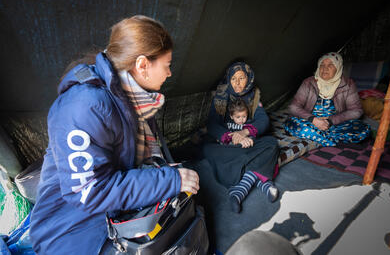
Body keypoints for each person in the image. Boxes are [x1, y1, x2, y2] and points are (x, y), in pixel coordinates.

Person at [29, 15, 200, 255]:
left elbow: (132, 160)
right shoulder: (83, 107)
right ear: (142, 65)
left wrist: (165, 171)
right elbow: (90, 193)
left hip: (112, 216)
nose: (170, 73)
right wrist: (169, 180)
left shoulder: (134, 98)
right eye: (167, 64)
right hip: (70, 231)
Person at [204, 62, 279, 213]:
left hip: (248, 142)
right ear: (229, 79)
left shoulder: (254, 95)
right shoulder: (221, 95)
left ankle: (238, 191)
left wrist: (245, 133)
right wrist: (230, 137)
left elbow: (263, 120)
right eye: (234, 79)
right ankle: (262, 182)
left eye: (242, 78)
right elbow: (212, 124)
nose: (237, 83)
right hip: (228, 144)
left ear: (249, 78)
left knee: (271, 143)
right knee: (207, 149)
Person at [285, 52, 370, 146]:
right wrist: (313, 119)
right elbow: (293, 107)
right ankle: (334, 141)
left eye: (330, 65)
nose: (325, 68)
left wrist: (330, 121)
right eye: (322, 65)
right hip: (310, 122)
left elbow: (356, 111)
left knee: (363, 129)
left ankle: (316, 136)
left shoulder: (348, 84)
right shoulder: (308, 82)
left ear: (338, 68)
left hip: (334, 123)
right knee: (294, 124)